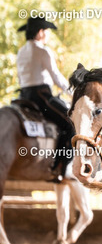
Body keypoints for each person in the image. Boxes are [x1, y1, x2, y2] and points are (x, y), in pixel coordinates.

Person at [16, 16, 74, 180]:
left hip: (23, 96)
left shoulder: (21, 52)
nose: (48, 34)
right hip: (41, 96)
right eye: (46, 31)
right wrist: (73, 93)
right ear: (40, 32)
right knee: (70, 122)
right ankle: (61, 166)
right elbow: (56, 77)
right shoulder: (43, 51)